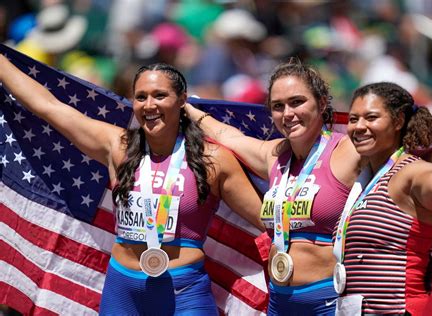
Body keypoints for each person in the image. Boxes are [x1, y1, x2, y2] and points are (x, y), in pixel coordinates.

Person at [185, 59, 432, 315]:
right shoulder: (273, 155)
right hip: (280, 301)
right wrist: (185, 106)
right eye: (278, 106)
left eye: (297, 102)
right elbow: (226, 134)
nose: (288, 113)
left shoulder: (349, 150)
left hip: (329, 300)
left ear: (322, 104)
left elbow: (424, 158)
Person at [0, 55, 264, 315]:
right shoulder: (119, 147)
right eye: (141, 97)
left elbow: (269, 222)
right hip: (122, 292)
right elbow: (49, 107)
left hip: (183, 294)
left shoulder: (213, 160)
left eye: (160, 95)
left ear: (182, 100)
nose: (149, 105)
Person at [333, 82, 432, 315]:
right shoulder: (364, 179)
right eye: (353, 119)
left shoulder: (412, 171)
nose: (359, 126)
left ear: (398, 121)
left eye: (371, 117)